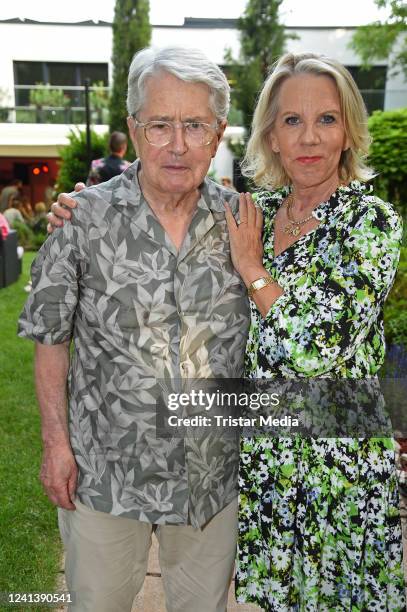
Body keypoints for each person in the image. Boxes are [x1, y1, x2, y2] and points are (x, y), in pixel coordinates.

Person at [18, 46, 249, 612]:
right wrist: (55, 446)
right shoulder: (83, 220)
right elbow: (50, 340)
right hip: (104, 477)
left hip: (209, 480)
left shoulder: (246, 222)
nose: (176, 145)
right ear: (132, 128)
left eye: (194, 125)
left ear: (217, 135)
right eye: (159, 125)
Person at [224, 53, 406, 610]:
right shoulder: (256, 209)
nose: (310, 138)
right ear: (271, 136)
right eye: (292, 121)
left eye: (326, 119)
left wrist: (252, 269)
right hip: (271, 463)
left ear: (348, 130)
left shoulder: (369, 222)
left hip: (339, 472)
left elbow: (313, 346)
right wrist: (79, 208)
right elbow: (167, 205)